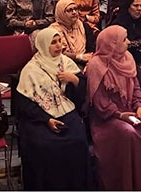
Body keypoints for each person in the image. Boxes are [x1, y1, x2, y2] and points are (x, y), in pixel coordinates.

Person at [85, 26, 141, 191]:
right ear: (112, 44)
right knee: (128, 132)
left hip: (129, 108)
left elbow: (135, 88)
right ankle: (125, 185)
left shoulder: (127, 58)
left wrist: (139, 107)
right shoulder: (96, 65)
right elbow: (100, 103)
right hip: (107, 118)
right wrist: (120, 115)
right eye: (124, 39)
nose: (128, 42)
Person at [14, 28, 93, 191]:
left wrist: (74, 80)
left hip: (67, 111)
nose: (59, 46)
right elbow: (24, 104)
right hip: (38, 119)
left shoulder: (67, 63)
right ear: (43, 45)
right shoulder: (30, 70)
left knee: (77, 140)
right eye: (53, 43)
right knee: (45, 147)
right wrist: (46, 120)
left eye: (59, 42)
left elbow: (81, 95)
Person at [51, 0, 96, 66]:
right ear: (61, 12)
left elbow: (91, 48)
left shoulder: (83, 26)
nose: (74, 12)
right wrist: (79, 57)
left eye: (76, 9)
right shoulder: (53, 30)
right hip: (64, 64)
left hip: (85, 62)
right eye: (70, 10)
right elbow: (59, 53)